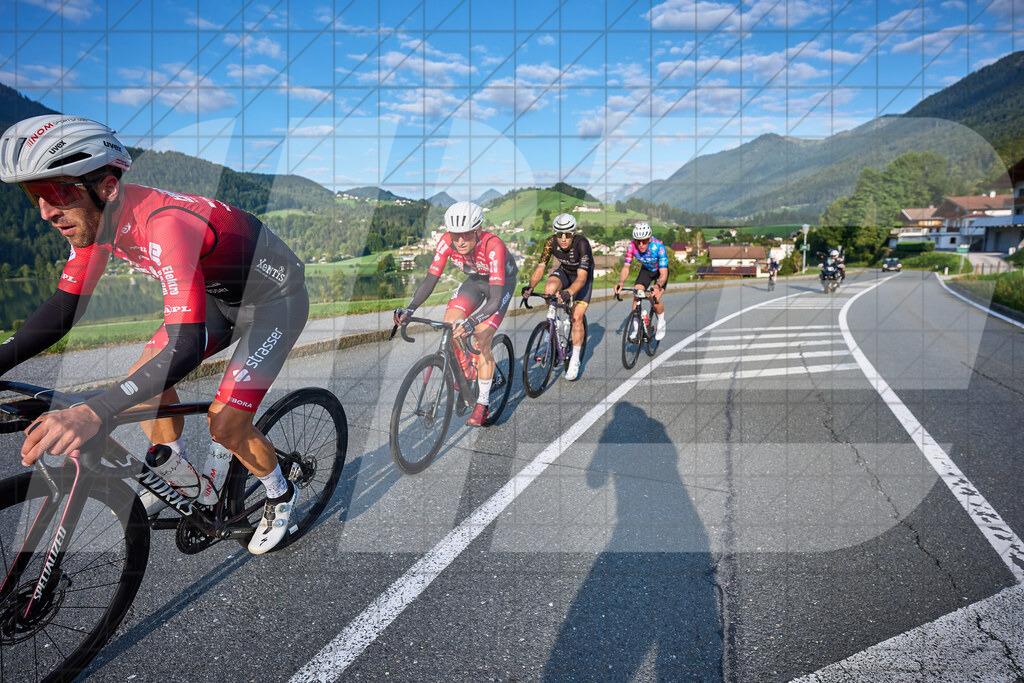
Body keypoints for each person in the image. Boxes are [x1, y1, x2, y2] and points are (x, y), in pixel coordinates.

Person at [0, 115, 308, 554]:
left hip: (275, 304)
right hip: (220, 297)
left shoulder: (166, 224)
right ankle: (177, 471)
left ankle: (280, 492)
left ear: (107, 187)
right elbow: (63, 311)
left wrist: (94, 411)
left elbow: (184, 346)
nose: (47, 212)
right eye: (36, 196)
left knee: (225, 424)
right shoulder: (97, 225)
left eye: (58, 193)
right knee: (145, 383)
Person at [394, 201, 518, 426]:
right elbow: (430, 280)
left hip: (501, 285)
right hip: (475, 281)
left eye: (466, 235)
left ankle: (482, 403)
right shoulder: (445, 242)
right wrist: (410, 309)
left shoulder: (493, 246)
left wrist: (472, 322)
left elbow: (495, 300)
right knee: (450, 323)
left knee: (481, 336)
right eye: (455, 235)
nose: (460, 241)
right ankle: (468, 373)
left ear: (478, 230)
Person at [521, 213, 593, 380]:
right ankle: (554, 323)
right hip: (565, 272)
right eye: (559, 234)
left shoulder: (582, 244)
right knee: (549, 288)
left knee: (576, 317)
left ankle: (575, 358)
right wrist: (531, 287)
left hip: (583, 278)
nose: (563, 239)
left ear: (573, 233)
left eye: (567, 234)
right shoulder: (550, 242)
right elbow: (541, 267)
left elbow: (582, 278)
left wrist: (569, 293)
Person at [613, 222, 668, 341]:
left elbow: (664, 273)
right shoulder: (631, 246)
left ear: (650, 239)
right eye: (638, 241)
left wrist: (658, 285)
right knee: (637, 294)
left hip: (660, 272)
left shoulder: (659, 247)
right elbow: (626, 267)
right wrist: (621, 283)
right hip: (646, 270)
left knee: (654, 298)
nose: (641, 245)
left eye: (644, 241)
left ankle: (661, 321)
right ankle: (636, 329)